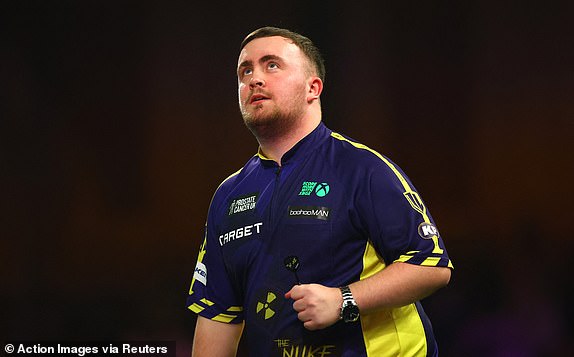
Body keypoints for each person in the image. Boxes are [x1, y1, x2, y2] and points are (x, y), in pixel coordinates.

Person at [186, 26, 453, 357]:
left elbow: (431, 266)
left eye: (272, 65)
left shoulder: (362, 168)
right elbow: (217, 316)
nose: (255, 78)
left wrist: (344, 299)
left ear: (313, 88)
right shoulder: (228, 196)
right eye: (245, 70)